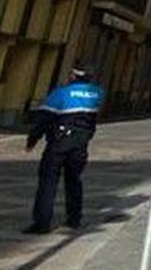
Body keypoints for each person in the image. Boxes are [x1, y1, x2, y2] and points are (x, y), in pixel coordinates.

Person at [24, 66, 104, 234]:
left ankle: (42, 223)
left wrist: (33, 139)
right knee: (74, 180)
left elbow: (43, 119)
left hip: (58, 143)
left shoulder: (61, 93)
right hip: (81, 145)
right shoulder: (97, 93)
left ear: (74, 76)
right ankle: (74, 219)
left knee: (48, 182)